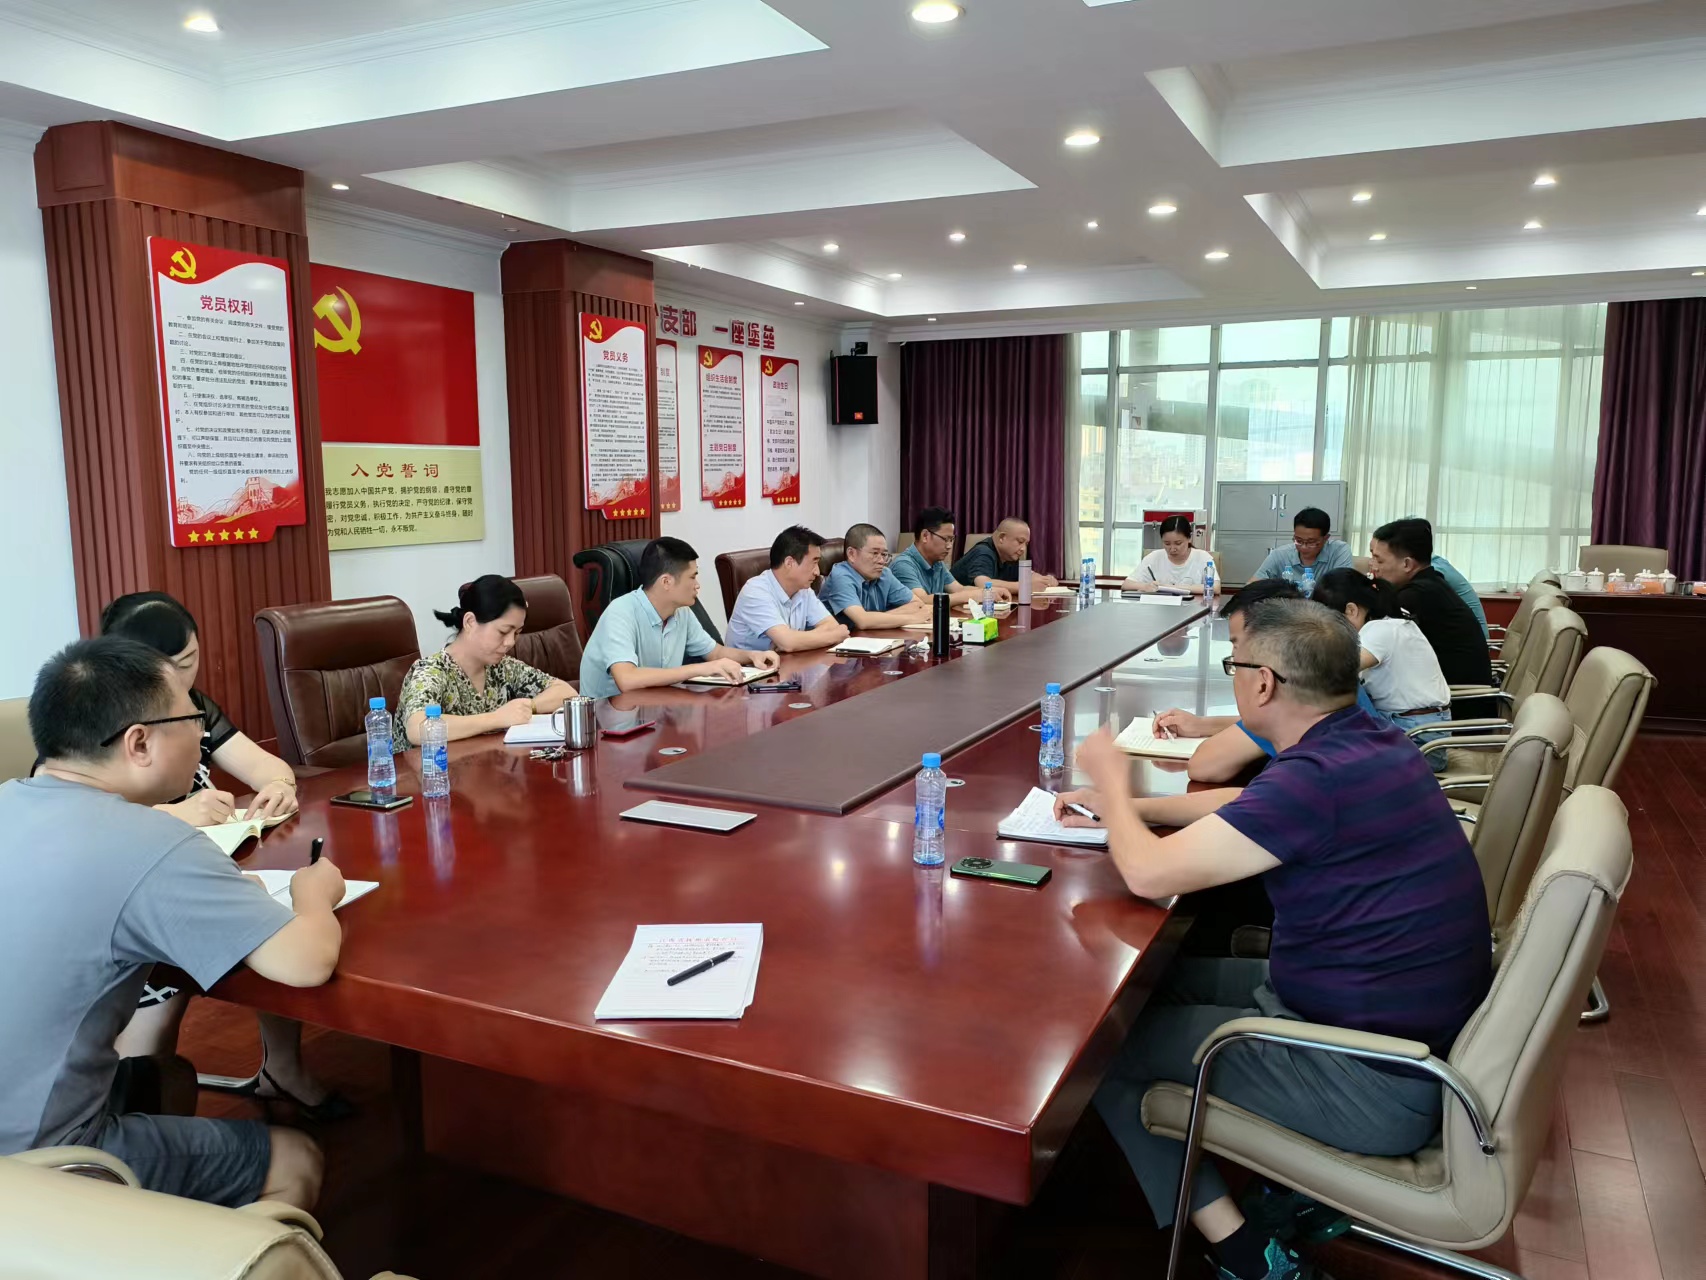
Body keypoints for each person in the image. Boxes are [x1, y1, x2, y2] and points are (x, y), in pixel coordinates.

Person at [1054, 600, 1491, 1280]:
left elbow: (1146, 874)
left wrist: (1111, 780)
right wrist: (1129, 810)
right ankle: (1271, 1197)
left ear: (1263, 683)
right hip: (1391, 1029)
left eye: (1235, 664)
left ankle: (1243, 1253)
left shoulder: (1317, 779)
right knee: (1152, 986)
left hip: (1368, 1075)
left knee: (1099, 1050)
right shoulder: (1367, 743)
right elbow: (1245, 805)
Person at [0, 637, 347, 1210]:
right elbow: (306, 962)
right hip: (33, 1163)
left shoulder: (10, 799)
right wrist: (314, 894)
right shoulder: (152, 842)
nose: (203, 736)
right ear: (139, 742)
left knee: (168, 1077)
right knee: (296, 1159)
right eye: (192, 719)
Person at [97, 593, 345, 1120]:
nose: (185, 680)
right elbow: (85, 825)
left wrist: (278, 787)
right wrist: (175, 813)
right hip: (143, 900)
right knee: (140, 1080)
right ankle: (136, 1134)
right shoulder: (99, 727)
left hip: (208, 877)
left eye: (191, 660)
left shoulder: (191, 708)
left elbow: (268, 767)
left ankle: (282, 1069)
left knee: (266, 923)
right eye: (172, 667)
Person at [578, 537, 780, 697]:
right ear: (666, 582)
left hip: (653, 709)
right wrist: (700, 669)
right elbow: (627, 679)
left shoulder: (681, 612)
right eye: (692, 577)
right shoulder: (620, 612)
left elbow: (715, 653)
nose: (697, 585)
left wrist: (752, 656)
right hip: (607, 719)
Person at [396, 575, 578, 746]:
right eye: (503, 632)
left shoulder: (502, 667)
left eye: (517, 633)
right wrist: (496, 718)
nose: (510, 642)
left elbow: (567, 693)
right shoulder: (431, 671)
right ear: (470, 622)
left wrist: (528, 707)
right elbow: (417, 728)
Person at [1152, 580, 1302, 785]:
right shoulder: (1312, 676)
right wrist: (1201, 724)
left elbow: (1203, 765)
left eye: (1237, 645)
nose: (1234, 656)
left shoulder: (1288, 700)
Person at [1311, 568, 1451, 771]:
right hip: (1417, 730)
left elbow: (1336, 670)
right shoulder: (1393, 623)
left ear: (1351, 610)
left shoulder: (1380, 629)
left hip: (1417, 740)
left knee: (1337, 685)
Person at [1368, 519, 1494, 715]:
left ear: (1407, 564)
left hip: (1454, 709)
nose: (1372, 566)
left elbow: (1375, 639)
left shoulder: (1416, 596)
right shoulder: (1430, 584)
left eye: (1379, 560)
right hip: (1446, 696)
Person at [725, 525, 851, 653]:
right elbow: (788, 643)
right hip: (747, 664)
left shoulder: (803, 590)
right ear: (789, 563)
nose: (817, 572)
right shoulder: (755, 591)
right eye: (814, 562)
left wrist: (794, 640)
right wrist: (833, 636)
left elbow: (832, 626)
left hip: (787, 662)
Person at [819, 524, 932, 630]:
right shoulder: (841, 576)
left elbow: (918, 605)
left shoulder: (884, 574)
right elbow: (863, 621)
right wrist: (913, 618)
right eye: (875, 553)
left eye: (884, 554)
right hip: (836, 642)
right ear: (851, 554)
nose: (881, 561)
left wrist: (877, 619)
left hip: (873, 639)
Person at [888, 507, 983, 606]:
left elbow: (959, 589)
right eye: (945, 539)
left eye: (951, 539)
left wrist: (987, 592)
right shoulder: (903, 565)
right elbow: (922, 601)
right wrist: (969, 596)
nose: (949, 546)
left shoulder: (938, 563)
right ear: (925, 536)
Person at [950, 518, 1059, 594]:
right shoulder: (983, 552)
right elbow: (983, 584)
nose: (1023, 549)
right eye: (1020, 542)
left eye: (1026, 544)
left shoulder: (1009, 556)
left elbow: (1028, 575)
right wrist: (1025, 587)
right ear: (1002, 538)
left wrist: (1045, 580)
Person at [1252, 508, 1354, 584]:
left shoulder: (1339, 551)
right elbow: (1252, 585)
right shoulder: (1280, 554)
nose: (1303, 547)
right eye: (1298, 540)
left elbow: (1342, 590)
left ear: (1326, 538)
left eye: (1311, 542)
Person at [1122, 516, 1217, 594]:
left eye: (1178, 543)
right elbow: (1126, 584)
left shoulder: (1203, 557)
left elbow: (1215, 587)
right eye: (1167, 544)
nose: (1172, 549)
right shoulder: (1154, 557)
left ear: (1189, 538)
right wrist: (1145, 586)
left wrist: (1172, 587)